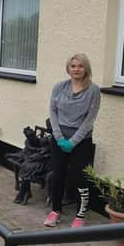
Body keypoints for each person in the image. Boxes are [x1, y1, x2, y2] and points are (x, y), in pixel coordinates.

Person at [44, 53, 100, 228]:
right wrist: (59, 138)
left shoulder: (93, 90)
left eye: (80, 66)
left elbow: (90, 119)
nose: (76, 69)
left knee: (79, 178)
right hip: (59, 138)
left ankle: (80, 215)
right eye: (73, 66)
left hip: (81, 141)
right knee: (57, 176)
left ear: (86, 69)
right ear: (68, 68)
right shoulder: (59, 87)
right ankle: (55, 211)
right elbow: (53, 112)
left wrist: (73, 142)